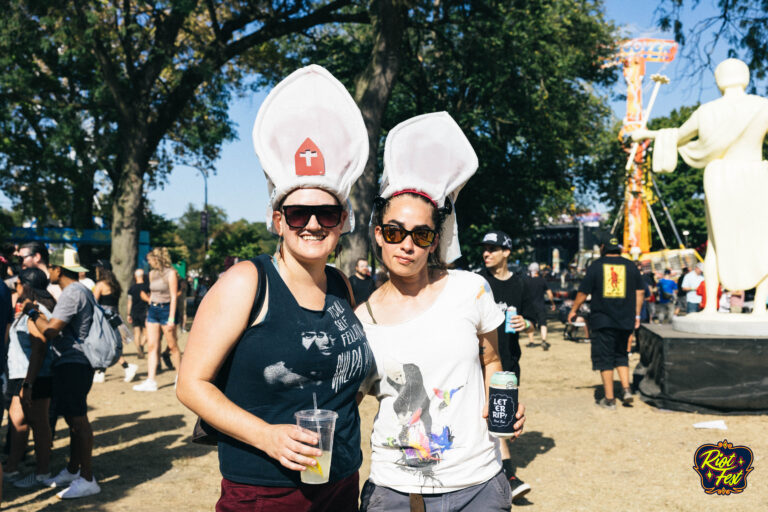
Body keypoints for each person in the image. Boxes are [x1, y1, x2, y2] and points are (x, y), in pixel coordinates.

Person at [177, 64, 372, 511]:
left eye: (327, 213)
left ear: (344, 221)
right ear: (278, 219)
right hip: (265, 489)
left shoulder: (341, 285)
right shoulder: (247, 281)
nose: (313, 224)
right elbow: (191, 384)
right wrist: (266, 435)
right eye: (298, 213)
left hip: (341, 479)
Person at [356, 112, 525, 511]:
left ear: (435, 241)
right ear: (378, 233)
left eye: (422, 235)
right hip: (395, 490)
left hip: (478, 483)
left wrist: (504, 404)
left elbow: (493, 359)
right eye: (394, 232)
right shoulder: (362, 317)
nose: (407, 245)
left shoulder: (471, 289)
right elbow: (350, 398)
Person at [632, 58, 768, 315]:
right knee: (763, 240)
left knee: (715, 242)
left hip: (721, 176)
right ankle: (760, 307)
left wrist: (647, 134)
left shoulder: (707, 111)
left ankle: (711, 308)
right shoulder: (763, 106)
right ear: (746, 77)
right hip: (756, 174)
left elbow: (675, 135)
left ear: (719, 80)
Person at [19, 247, 100, 498]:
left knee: (78, 420)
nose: (49, 272)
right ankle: (74, 469)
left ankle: (87, 478)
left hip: (74, 362)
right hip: (73, 363)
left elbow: (51, 331)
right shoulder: (78, 290)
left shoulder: (72, 293)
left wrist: (32, 311)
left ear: (57, 269)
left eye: (51, 268)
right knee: (74, 418)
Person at [477, 229, 532, 501]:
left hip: (510, 361)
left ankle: (499, 475)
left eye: (493, 249)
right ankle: (508, 476)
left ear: (507, 252)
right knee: (495, 418)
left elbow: (533, 319)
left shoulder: (521, 284)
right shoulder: (476, 281)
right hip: (481, 361)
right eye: (484, 249)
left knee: (502, 422)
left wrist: (528, 323)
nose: (486, 253)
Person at [568, 237, 644, 410]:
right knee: (621, 355)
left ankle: (609, 400)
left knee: (605, 358)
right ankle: (626, 390)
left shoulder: (596, 266)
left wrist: (574, 309)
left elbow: (583, 291)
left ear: (603, 247)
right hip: (626, 319)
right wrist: (637, 315)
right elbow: (640, 291)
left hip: (603, 320)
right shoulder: (631, 266)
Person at [5, 268, 55, 488]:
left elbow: (39, 349)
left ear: (24, 285)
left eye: (17, 284)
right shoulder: (28, 309)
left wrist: (29, 383)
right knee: (18, 421)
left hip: (35, 375)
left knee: (40, 423)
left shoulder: (37, 311)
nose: (15, 287)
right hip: (21, 374)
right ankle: (12, 467)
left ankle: (43, 472)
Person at [133, 247, 179, 392]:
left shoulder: (170, 273)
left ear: (156, 258)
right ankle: (151, 380)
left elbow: (173, 296)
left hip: (166, 310)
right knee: (152, 346)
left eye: (150, 260)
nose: (149, 262)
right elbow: (151, 293)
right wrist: (149, 308)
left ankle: (180, 377)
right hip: (153, 311)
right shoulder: (151, 274)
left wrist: (171, 318)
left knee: (172, 346)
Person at [92, 260, 138, 383]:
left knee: (106, 345)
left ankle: (127, 366)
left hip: (104, 318)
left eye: (97, 268)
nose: (95, 270)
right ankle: (101, 371)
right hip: (114, 316)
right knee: (108, 344)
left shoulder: (101, 285)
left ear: (101, 269)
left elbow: (94, 303)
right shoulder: (115, 284)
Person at [523, 262, 555, 351]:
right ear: (538, 270)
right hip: (540, 305)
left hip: (529, 306)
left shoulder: (526, 281)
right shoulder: (542, 280)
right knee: (543, 323)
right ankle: (544, 340)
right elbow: (549, 294)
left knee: (530, 323)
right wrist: (552, 303)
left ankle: (531, 341)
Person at [126, 268, 150, 358]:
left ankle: (138, 349)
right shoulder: (147, 287)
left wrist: (128, 314)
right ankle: (142, 345)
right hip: (145, 311)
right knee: (146, 332)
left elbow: (129, 302)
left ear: (135, 276)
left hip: (134, 312)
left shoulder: (131, 288)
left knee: (137, 333)